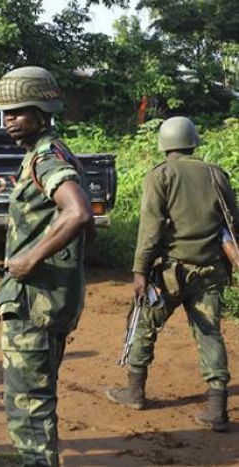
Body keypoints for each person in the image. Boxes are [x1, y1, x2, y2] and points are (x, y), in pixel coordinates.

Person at [106, 116, 235, 432]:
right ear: (193, 141)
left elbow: (150, 230)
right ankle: (217, 409)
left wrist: (139, 271)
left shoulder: (161, 176)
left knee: (144, 323)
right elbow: (231, 221)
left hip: (171, 273)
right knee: (210, 334)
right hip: (211, 271)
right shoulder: (216, 174)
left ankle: (135, 391)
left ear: (164, 144)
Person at [0, 66, 92, 466]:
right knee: (39, 399)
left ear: (42, 111)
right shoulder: (51, 153)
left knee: (28, 411)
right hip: (50, 298)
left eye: (18, 112)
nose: (9, 120)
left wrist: (29, 259)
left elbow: (78, 212)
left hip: (33, 302)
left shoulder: (47, 159)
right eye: (5, 113)